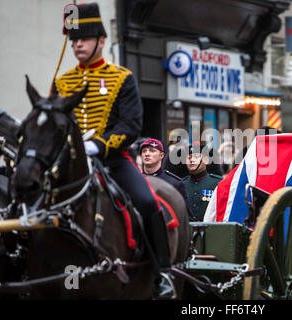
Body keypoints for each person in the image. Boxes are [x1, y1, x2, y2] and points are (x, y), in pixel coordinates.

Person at [53, 2, 173, 299]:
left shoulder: (122, 78)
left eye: (84, 38)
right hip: (70, 165)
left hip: (113, 161)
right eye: (74, 39)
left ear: (102, 41)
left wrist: (97, 145)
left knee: (147, 201)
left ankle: (163, 274)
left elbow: (131, 125)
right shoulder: (62, 82)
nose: (77, 44)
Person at [139, 138, 192, 218]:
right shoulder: (137, 181)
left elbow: (186, 216)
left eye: (152, 151)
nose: (147, 154)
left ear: (161, 155)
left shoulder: (174, 182)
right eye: (144, 151)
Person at [183, 142, 222, 221]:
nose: (192, 160)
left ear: (206, 160)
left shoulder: (218, 183)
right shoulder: (181, 184)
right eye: (189, 158)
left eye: (196, 157)